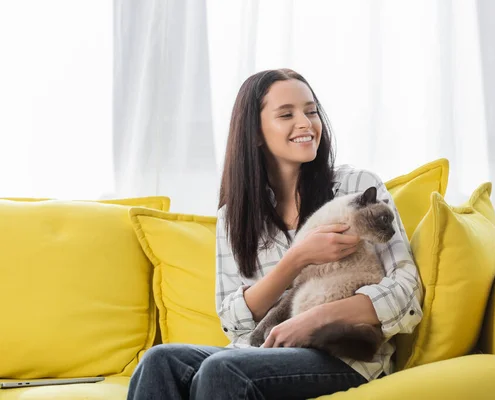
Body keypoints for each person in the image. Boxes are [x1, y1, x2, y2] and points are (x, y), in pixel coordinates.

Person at [127, 68, 423, 400]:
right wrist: (295, 261)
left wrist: (314, 319)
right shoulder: (234, 216)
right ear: (255, 132)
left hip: (343, 355)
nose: (306, 124)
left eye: (311, 111)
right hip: (259, 353)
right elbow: (235, 323)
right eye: (287, 114)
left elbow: (406, 289)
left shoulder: (357, 188)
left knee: (223, 370)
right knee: (159, 360)